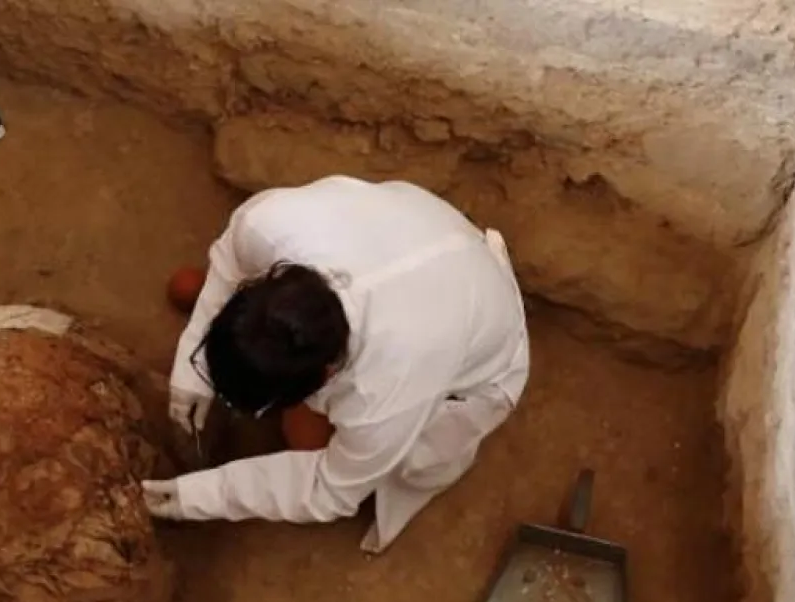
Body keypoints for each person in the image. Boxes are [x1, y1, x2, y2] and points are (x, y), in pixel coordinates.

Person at [144, 175, 530, 554]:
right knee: (192, 287)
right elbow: (230, 260)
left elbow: (330, 490)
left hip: (479, 349)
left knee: (307, 440)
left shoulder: (387, 386)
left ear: (326, 375)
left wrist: (196, 495)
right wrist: (190, 374)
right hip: (428, 239)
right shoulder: (269, 226)